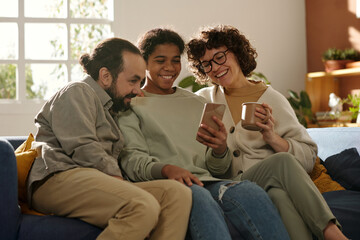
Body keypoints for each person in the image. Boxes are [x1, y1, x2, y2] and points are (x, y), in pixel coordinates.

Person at [118, 28, 290, 240]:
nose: (169, 68)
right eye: (160, 60)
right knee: (199, 197)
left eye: (175, 60)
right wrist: (167, 169)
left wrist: (219, 150)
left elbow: (218, 169)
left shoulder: (199, 103)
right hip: (172, 186)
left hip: (209, 182)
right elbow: (133, 161)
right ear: (144, 62)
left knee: (251, 192)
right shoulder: (131, 105)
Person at [186, 24, 348, 240]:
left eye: (220, 57)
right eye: (206, 64)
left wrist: (272, 137)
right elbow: (207, 164)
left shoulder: (272, 99)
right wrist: (219, 149)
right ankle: (332, 234)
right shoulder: (203, 100)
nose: (215, 68)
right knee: (283, 163)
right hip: (230, 185)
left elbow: (309, 156)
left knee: (280, 196)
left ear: (236, 53)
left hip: (265, 183)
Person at [27, 37, 192, 240]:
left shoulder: (112, 107)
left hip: (94, 179)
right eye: (133, 81)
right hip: (57, 178)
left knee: (177, 194)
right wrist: (122, 183)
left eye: (140, 82)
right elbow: (83, 147)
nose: (137, 90)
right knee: (142, 205)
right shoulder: (78, 91)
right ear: (105, 76)